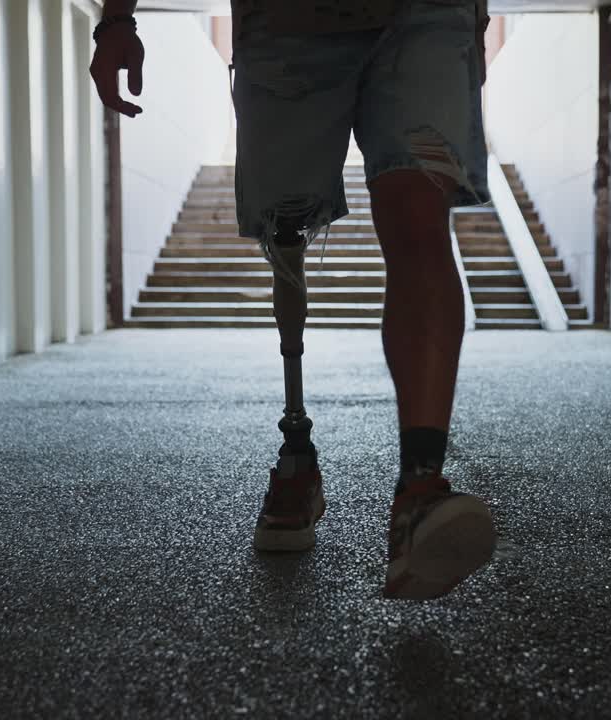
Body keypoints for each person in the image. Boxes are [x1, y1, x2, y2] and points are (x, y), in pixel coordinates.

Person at [90, 0, 497, 600]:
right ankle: (296, 452)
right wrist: (118, 18)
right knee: (286, 228)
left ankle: (421, 487)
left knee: (418, 212)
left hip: (428, 12)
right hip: (287, 19)